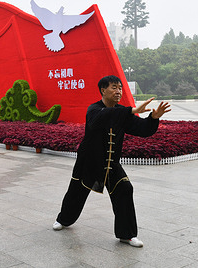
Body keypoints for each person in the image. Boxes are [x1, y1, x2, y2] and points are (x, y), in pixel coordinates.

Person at [52, 75, 171, 248]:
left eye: (120, 88)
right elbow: (100, 119)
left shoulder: (123, 112)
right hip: (89, 162)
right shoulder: (94, 109)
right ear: (103, 90)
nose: (118, 91)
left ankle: (127, 235)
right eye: (114, 87)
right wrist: (130, 110)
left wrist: (153, 118)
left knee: (125, 189)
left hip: (111, 164)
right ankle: (63, 220)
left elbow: (142, 129)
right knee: (76, 193)